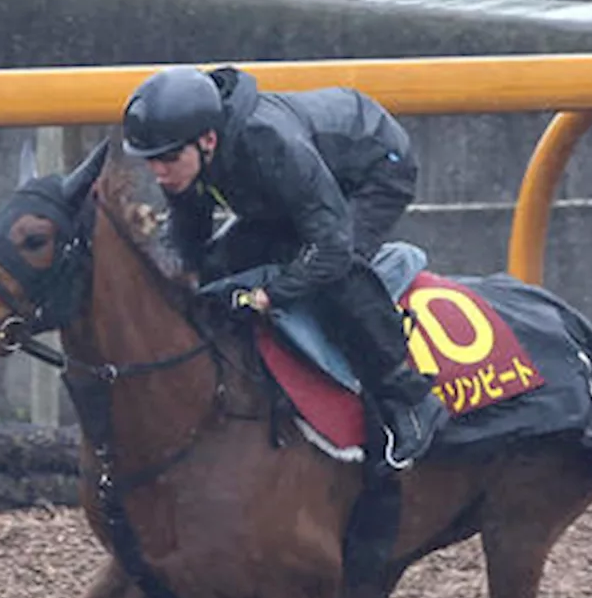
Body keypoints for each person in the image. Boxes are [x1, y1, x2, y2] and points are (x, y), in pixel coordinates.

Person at [120, 64, 449, 471]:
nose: (159, 172)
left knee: (335, 279)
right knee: (219, 269)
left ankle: (410, 398)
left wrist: (270, 294)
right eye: (150, 161)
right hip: (296, 186)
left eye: (168, 158)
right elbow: (189, 246)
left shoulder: (269, 144)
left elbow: (331, 249)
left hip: (373, 171)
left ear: (208, 140)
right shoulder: (193, 158)